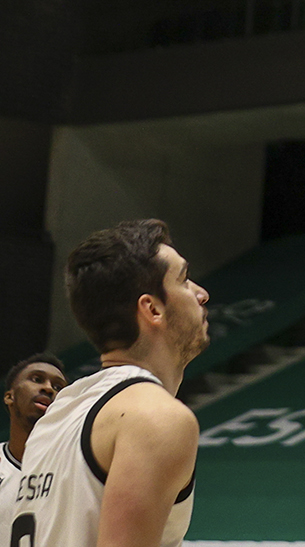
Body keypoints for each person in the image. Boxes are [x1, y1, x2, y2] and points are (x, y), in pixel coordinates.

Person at [9, 219, 209, 547]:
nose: (202, 294)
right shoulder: (156, 418)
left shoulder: (59, 414)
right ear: (152, 309)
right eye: (184, 280)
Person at [1, 353, 68, 531]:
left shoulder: (75, 467)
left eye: (58, 387)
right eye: (37, 379)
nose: (48, 389)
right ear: (10, 397)